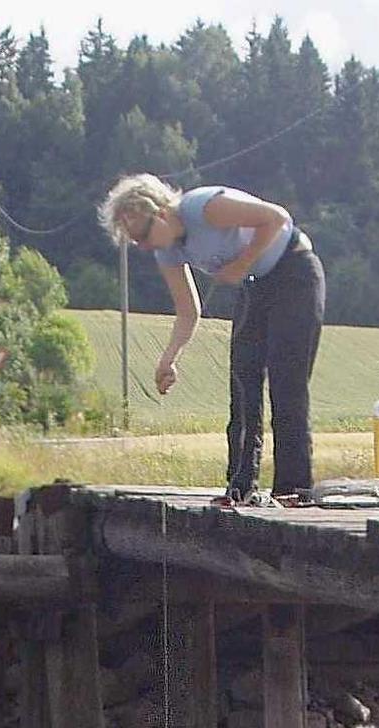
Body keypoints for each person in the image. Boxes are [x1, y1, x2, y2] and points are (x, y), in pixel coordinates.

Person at [98, 174, 325, 502]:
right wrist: (169, 359)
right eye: (137, 243)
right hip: (256, 284)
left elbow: (276, 218)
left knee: (285, 380)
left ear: (161, 213)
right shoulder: (168, 250)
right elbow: (188, 310)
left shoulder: (204, 207)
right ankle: (240, 486)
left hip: (294, 273)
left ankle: (293, 488)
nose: (145, 247)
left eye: (143, 236)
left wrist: (241, 262)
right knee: (243, 381)